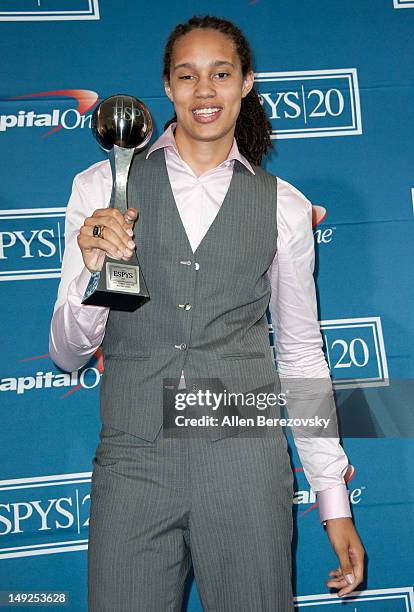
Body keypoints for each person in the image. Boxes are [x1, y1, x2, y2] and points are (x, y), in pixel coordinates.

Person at [49, 14, 365, 611]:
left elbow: (299, 354)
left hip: (245, 463)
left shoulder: (285, 206)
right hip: (133, 462)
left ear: (246, 82)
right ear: (166, 88)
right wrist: (93, 269)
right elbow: (67, 353)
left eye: (221, 74)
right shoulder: (99, 187)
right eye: (187, 75)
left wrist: (332, 498)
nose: (204, 91)